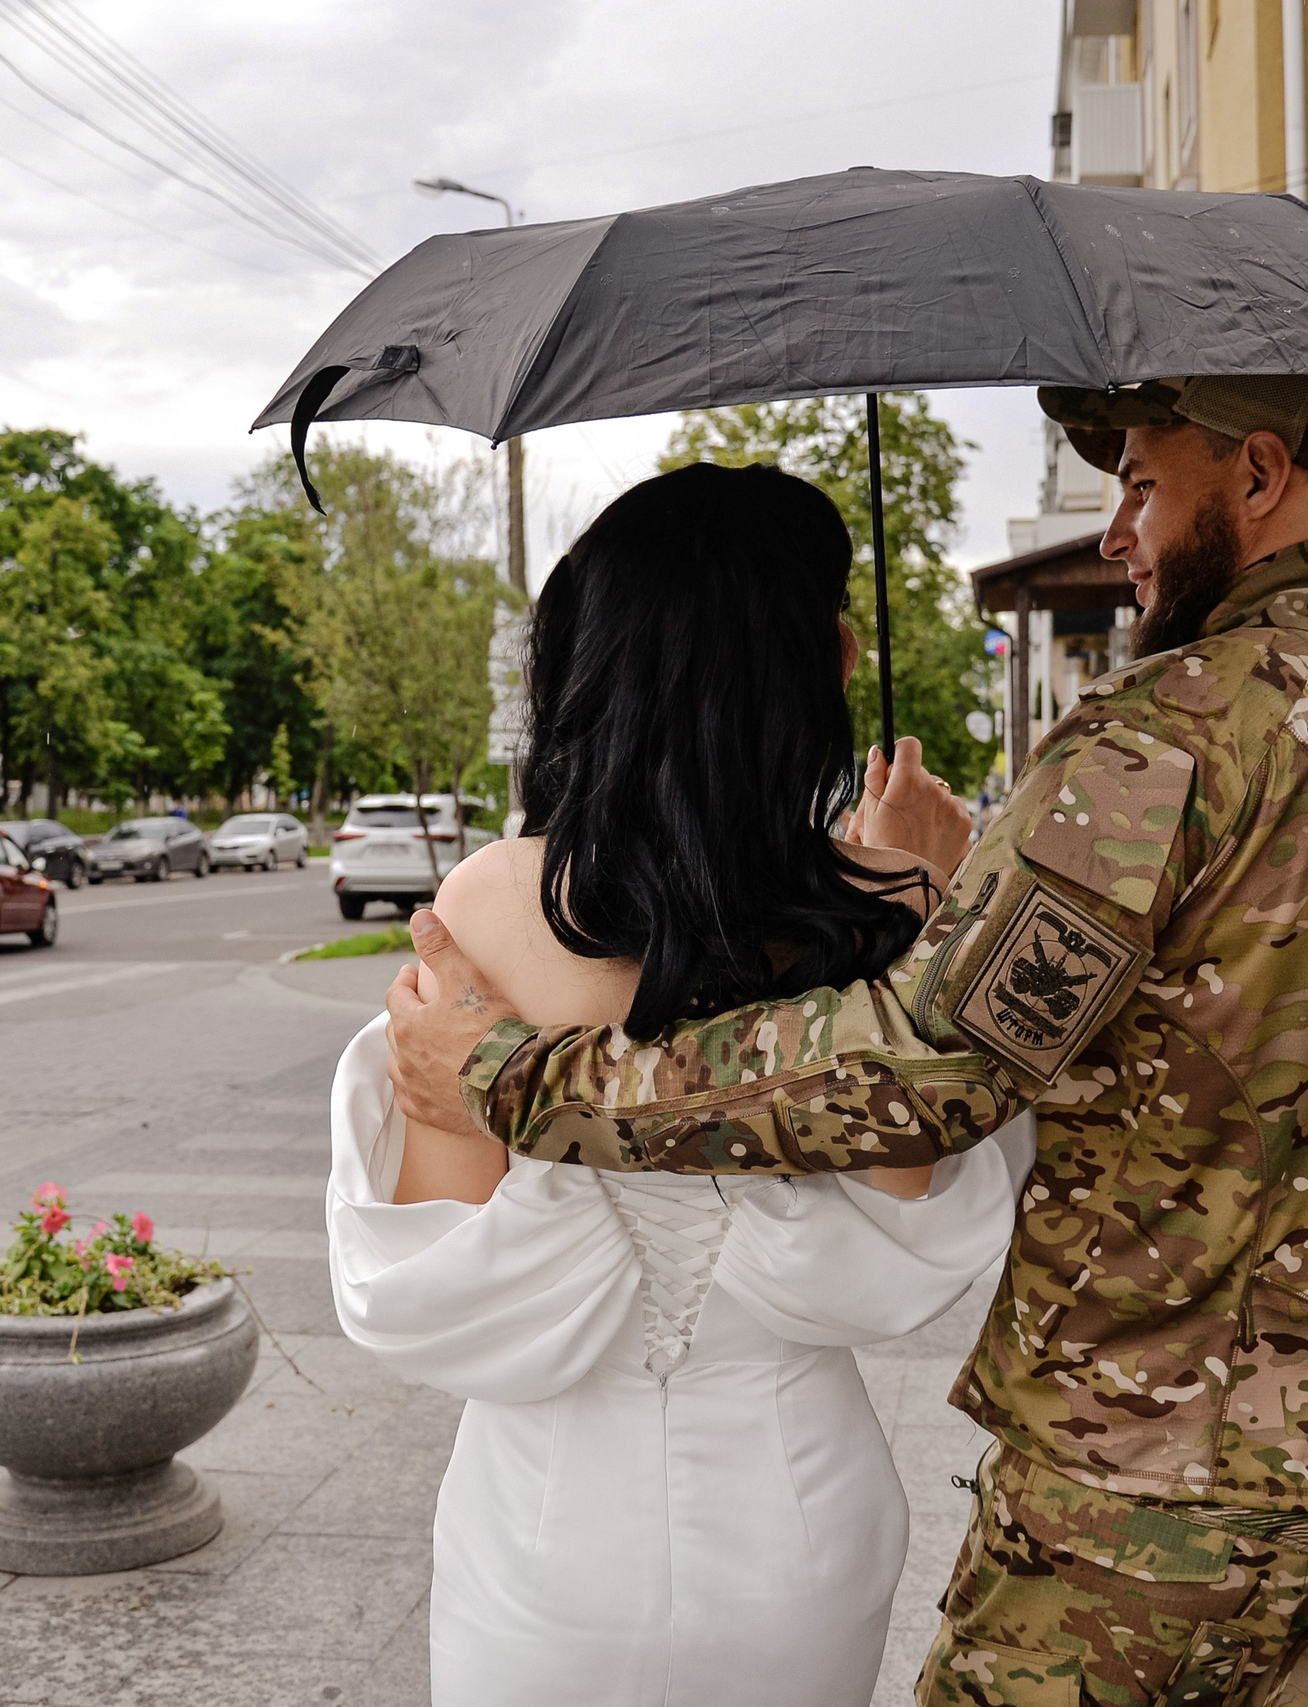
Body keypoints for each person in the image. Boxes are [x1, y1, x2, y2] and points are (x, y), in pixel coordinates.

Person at [387, 375, 1308, 1707]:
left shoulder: (1159, 742)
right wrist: (918, 900)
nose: (1119, 532)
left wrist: (512, 1074)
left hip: (1146, 1490)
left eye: (1144, 485)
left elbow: (920, 1066)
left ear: (1261, 474)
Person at [324, 462, 1030, 1707]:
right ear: (821, 658)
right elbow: (914, 1174)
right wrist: (922, 897)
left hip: (547, 1527)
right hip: (800, 1507)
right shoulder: (889, 913)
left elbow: (443, 1258)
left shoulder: (493, 902)